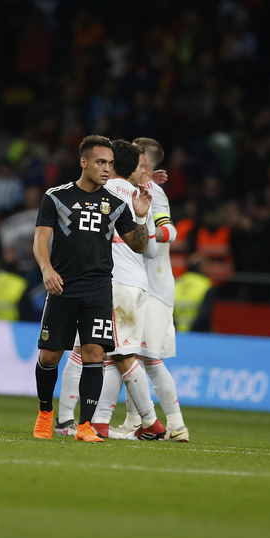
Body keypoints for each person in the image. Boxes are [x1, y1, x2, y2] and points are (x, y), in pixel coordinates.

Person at [31, 135, 151, 443]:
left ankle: (85, 426)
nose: (107, 169)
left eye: (111, 164)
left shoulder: (116, 204)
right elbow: (41, 240)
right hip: (62, 287)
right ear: (83, 162)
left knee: (94, 353)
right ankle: (45, 413)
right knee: (50, 357)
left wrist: (139, 216)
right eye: (100, 162)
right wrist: (47, 270)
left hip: (98, 289)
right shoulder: (56, 197)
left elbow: (139, 246)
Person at [88, 140, 167, 440]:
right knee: (113, 355)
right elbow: (148, 250)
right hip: (137, 285)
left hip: (116, 283)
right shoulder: (138, 196)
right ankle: (101, 422)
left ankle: (151, 422)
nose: (141, 172)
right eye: (138, 166)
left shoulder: (102, 192)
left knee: (121, 355)